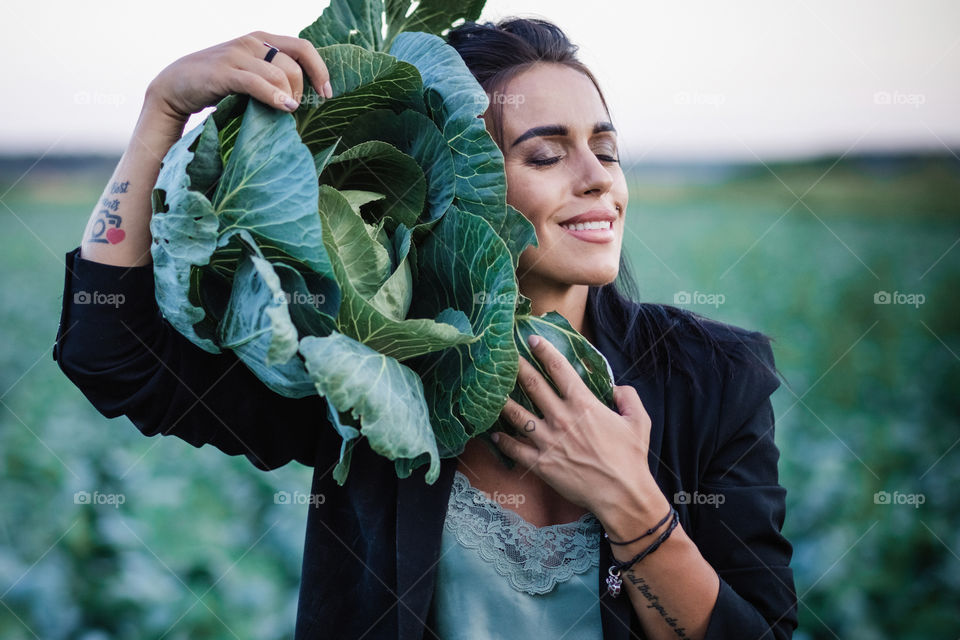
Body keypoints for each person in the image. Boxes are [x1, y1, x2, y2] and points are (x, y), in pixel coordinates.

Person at [54, 16, 798, 640]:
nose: (597, 175)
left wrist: (631, 500)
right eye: (545, 153)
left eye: (604, 149)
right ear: (448, 178)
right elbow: (113, 350)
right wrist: (161, 114)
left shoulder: (714, 377)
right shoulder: (362, 367)